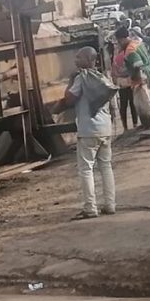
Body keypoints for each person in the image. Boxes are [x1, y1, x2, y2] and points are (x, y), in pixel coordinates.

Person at [55, 47, 116, 219]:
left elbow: (69, 99)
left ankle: (90, 208)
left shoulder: (82, 78)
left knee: (86, 169)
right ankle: (110, 205)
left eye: (79, 57)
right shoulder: (103, 78)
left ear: (89, 60)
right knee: (106, 167)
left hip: (88, 129)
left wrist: (70, 82)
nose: (75, 60)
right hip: (105, 128)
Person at [113, 27, 150, 127]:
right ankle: (148, 120)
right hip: (149, 70)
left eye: (119, 41)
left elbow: (137, 65)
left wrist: (136, 80)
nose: (119, 43)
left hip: (142, 74)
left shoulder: (130, 50)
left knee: (142, 100)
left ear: (122, 39)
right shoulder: (137, 43)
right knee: (146, 98)